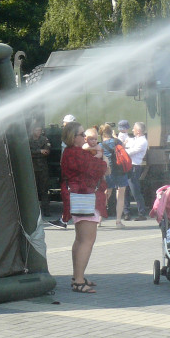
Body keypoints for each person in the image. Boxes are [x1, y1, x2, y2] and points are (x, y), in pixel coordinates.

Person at [59, 122, 107, 293]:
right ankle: (79, 281)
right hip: (85, 199)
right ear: (74, 136)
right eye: (81, 134)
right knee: (87, 241)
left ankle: (77, 276)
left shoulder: (70, 152)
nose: (84, 137)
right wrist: (102, 160)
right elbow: (101, 168)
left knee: (80, 240)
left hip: (78, 198)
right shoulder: (76, 154)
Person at [99, 124, 128, 228]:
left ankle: (99, 220)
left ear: (101, 134)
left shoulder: (101, 145)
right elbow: (123, 148)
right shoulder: (117, 141)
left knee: (106, 193)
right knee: (120, 195)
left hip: (108, 171)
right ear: (111, 132)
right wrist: (115, 137)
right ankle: (118, 221)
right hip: (120, 170)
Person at [125, 122, 149, 220]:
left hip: (134, 167)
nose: (132, 130)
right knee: (125, 189)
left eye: (134, 129)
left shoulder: (142, 142)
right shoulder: (135, 139)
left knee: (135, 190)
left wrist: (121, 150)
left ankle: (142, 213)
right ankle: (126, 212)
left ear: (138, 131)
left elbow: (130, 152)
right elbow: (126, 142)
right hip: (128, 166)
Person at [28, 123, 52, 218]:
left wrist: (37, 152)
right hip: (32, 169)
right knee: (32, 190)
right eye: (37, 130)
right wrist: (39, 151)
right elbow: (27, 152)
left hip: (42, 169)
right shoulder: (28, 140)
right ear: (33, 130)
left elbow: (47, 151)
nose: (39, 132)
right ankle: (33, 212)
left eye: (40, 130)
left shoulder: (44, 139)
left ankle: (46, 210)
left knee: (44, 190)